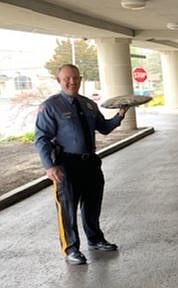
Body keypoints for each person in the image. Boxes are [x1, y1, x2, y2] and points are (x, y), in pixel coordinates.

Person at [34, 64, 128, 265]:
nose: (72, 82)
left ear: (80, 79)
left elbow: (103, 128)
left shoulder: (88, 105)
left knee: (92, 204)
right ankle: (71, 249)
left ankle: (95, 239)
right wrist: (49, 166)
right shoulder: (51, 106)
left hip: (90, 163)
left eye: (75, 78)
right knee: (67, 208)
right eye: (67, 78)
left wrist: (120, 115)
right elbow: (41, 138)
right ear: (59, 81)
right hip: (66, 165)